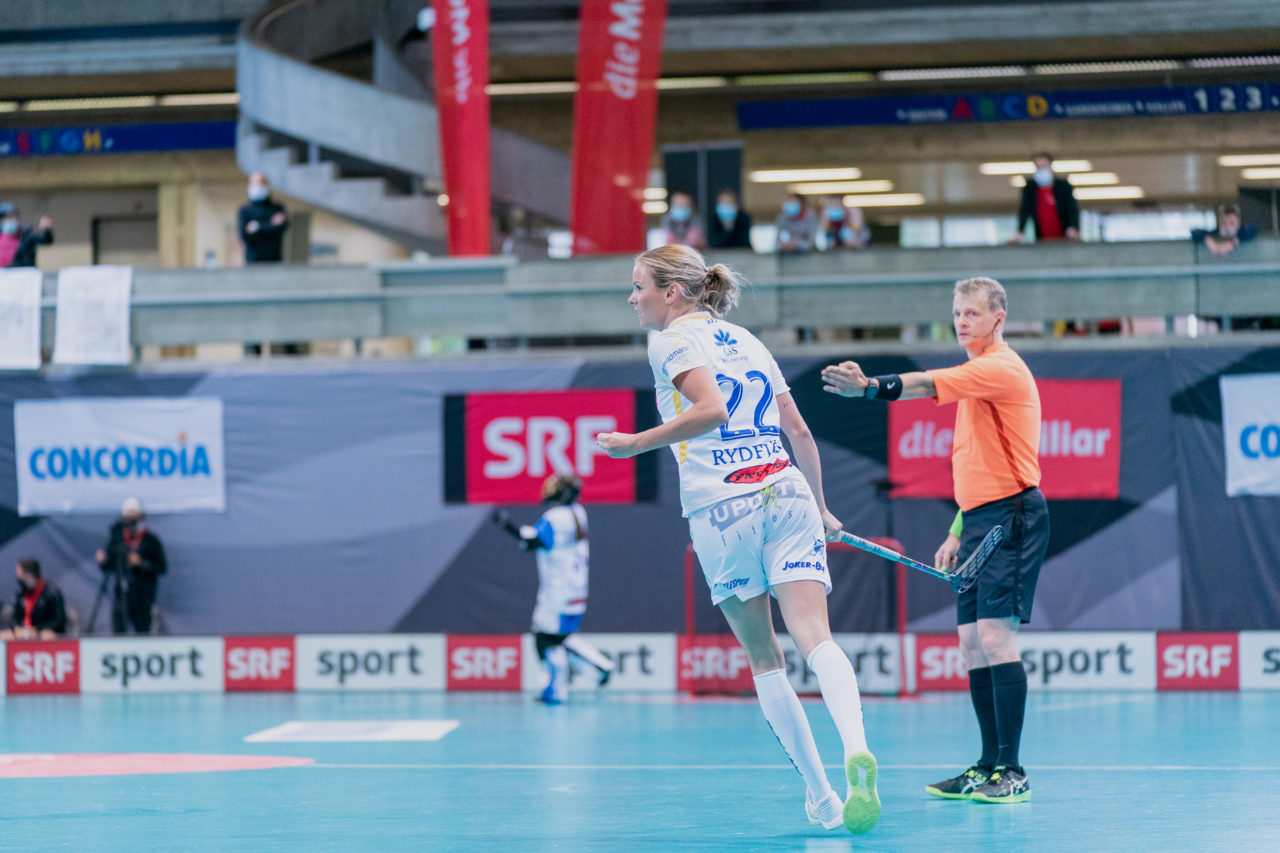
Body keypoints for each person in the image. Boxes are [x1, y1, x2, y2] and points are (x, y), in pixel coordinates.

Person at [596, 245, 880, 835]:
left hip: (722, 507)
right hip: (787, 489)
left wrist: (635, 443)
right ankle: (856, 745)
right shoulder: (749, 341)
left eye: (639, 286)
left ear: (672, 292)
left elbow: (712, 410)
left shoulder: (670, 340)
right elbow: (798, 430)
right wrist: (822, 506)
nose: (633, 298)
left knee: (765, 658)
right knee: (816, 638)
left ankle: (824, 796)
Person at [820, 275, 1049, 805]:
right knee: (972, 643)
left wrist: (871, 386)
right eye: (957, 313)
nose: (962, 321)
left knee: (995, 637)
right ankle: (987, 765)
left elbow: (924, 383)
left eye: (972, 313)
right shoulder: (977, 378)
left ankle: (1012, 770)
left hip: (1012, 515)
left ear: (998, 319)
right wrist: (956, 529)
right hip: (978, 519)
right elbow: (977, 465)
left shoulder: (999, 368)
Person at [491, 473, 614, 703]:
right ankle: (599, 667)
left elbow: (533, 542)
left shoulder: (555, 517)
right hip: (576, 590)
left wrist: (506, 525)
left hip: (558, 591)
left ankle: (556, 689)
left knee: (545, 639)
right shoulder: (578, 512)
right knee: (560, 637)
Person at [95, 497, 167, 635]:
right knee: (119, 631)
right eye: (127, 518)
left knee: (142, 631)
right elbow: (110, 566)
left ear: (140, 517)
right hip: (122, 595)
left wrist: (142, 563)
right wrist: (103, 561)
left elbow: (161, 567)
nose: (130, 522)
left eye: (134, 518)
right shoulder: (118, 540)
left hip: (143, 595)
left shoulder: (150, 541)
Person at [1013, 153, 1079, 242]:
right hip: (1042, 236)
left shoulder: (1063, 186)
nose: (1041, 169)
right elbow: (1024, 210)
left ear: (1050, 166)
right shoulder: (1030, 188)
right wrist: (1020, 232)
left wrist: (1073, 227)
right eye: (1038, 166)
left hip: (1064, 234)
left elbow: (1071, 208)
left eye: (1044, 166)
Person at [1, 559, 67, 641]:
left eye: (19, 573)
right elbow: (14, 617)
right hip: (24, 632)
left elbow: (59, 620)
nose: (17, 576)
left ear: (28, 574)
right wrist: (16, 628)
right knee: (4, 635)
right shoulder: (19, 594)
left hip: (42, 632)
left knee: (48, 635)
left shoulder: (52, 593)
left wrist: (38, 629)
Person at [237, 172, 289, 263]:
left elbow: (281, 228)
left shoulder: (277, 208)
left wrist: (256, 227)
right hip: (252, 262)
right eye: (255, 183)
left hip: (274, 261)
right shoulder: (244, 211)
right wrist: (270, 225)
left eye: (261, 183)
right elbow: (244, 235)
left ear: (267, 185)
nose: (257, 186)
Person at [0, 203, 54, 268]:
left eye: (10, 217)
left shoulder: (27, 235)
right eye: (5, 218)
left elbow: (46, 240)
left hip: (24, 273)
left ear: (17, 218)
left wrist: (47, 231)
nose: (8, 220)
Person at [1192, 204, 1257, 256]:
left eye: (1232, 223)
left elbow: (1253, 229)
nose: (1227, 226)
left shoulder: (1243, 233)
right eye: (1223, 222)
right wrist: (1211, 244)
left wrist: (1231, 243)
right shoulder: (1215, 234)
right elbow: (1195, 232)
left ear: (1238, 224)